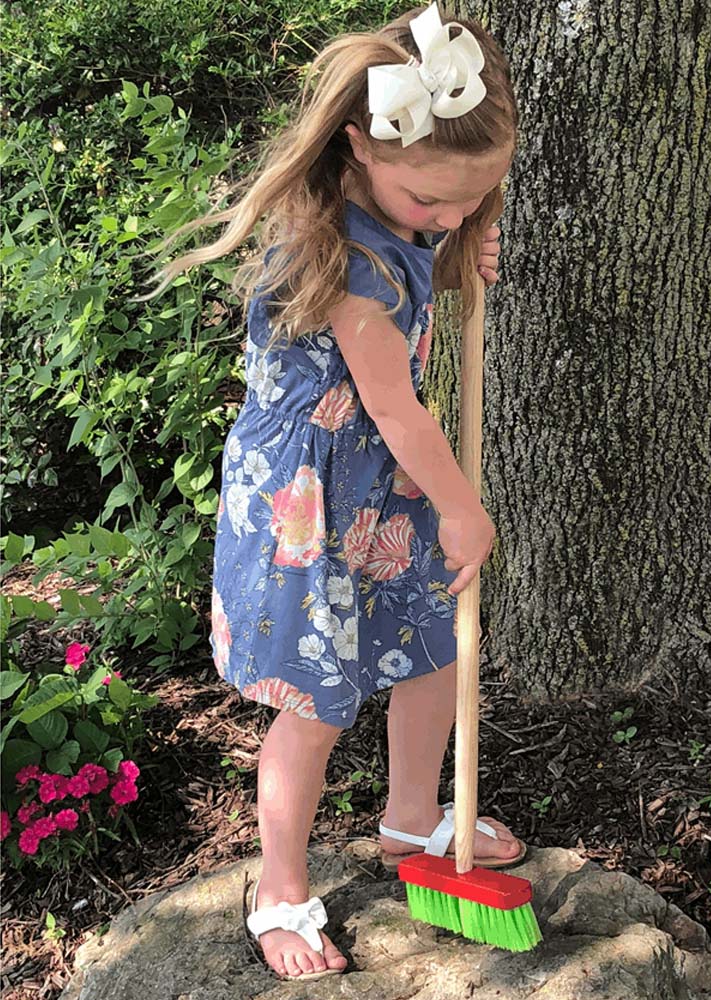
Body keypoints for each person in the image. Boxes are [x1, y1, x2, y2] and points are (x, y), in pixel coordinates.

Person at [133, 1, 524, 981]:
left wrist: (456, 245)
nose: (444, 215)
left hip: (380, 496)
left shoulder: (403, 203)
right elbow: (394, 406)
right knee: (312, 703)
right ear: (357, 144)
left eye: (463, 199)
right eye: (428, 199)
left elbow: (445, 208)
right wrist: (462, 505)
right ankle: (276, 886)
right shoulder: (345, 265)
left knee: (434, 642)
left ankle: (408, 818)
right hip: (307, 507)